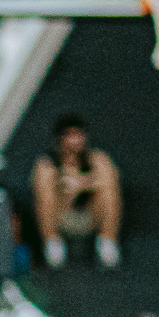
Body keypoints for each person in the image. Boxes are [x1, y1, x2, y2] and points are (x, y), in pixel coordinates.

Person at [32, 114, 120, 269]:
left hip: (89, 215)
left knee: (108, 189)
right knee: (45, 188)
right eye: (71, 135)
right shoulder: (47, 164)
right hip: (61, 217)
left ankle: (107, 241)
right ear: (60, 138)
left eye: (79, 135)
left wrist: (82, 183)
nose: (76, 140)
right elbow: (42, 187)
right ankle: (52, 243)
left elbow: (110, 180)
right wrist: (63, 184)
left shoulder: (97, 159)